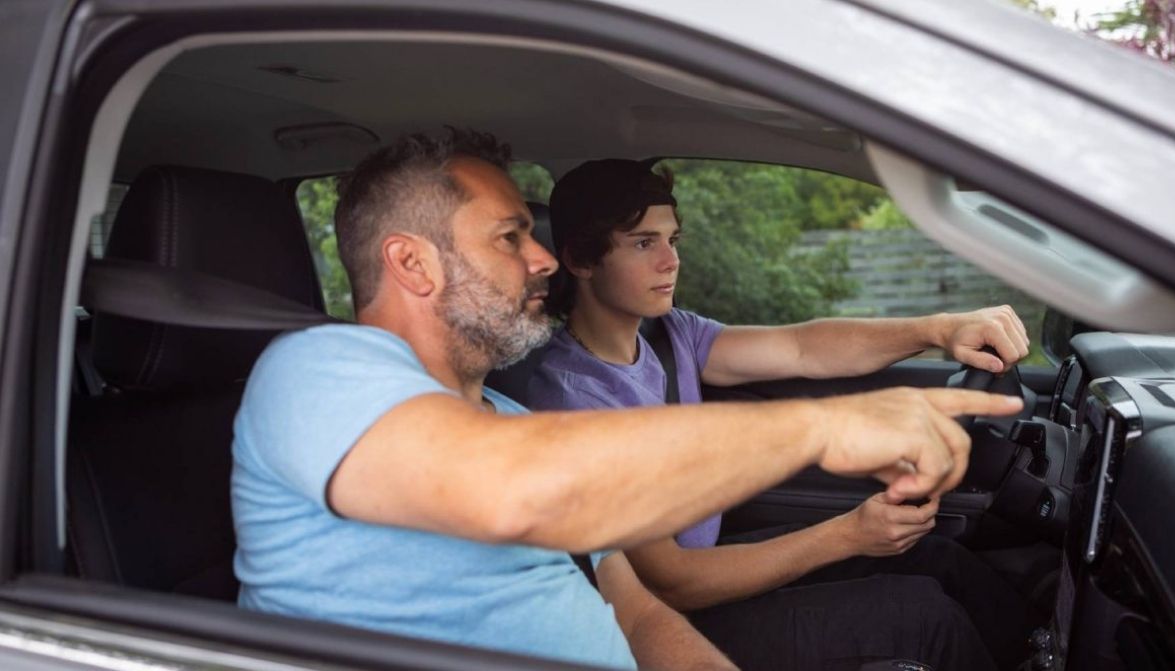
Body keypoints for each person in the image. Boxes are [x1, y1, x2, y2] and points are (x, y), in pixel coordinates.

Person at [230, 129, 1023, 671]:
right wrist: (824, 426)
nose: (542, 257)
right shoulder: (314, 369)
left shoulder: (508, 419)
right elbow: (518, 490)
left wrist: (932, 329)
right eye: (510, 237)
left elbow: (642, 617)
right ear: (413, 264)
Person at [524, 158, 1037, 670]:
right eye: (643, 243)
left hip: (708, 572)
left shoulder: (667, 333)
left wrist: (939, 330)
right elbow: (671, 580)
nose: (670, 261)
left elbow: (802, 348)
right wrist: (848, 535)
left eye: (672, 241)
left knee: (935, 559)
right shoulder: (575, 400)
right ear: (582, 260)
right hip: (668, 624)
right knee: (921, 618)